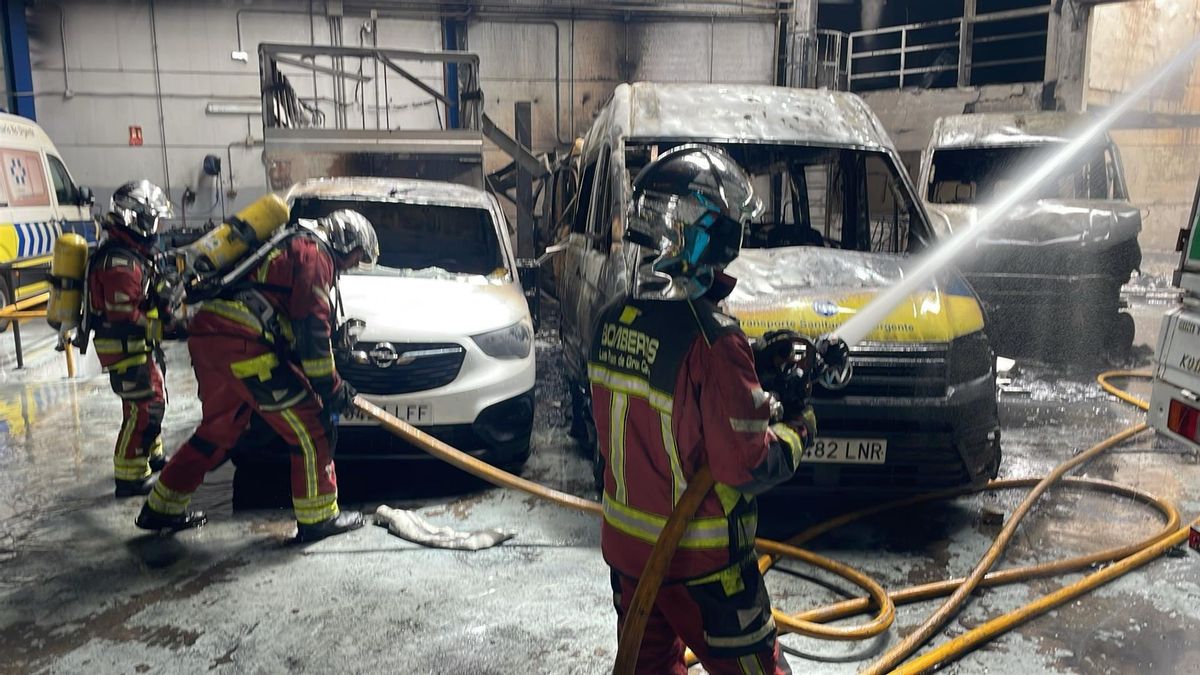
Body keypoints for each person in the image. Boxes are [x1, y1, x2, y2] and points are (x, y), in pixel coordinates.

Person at [587, 144, 848, 675]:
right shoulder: (714, 342)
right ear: (703, 233)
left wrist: (751, 364)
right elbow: (744, 464)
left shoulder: (614, 321)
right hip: (703, 568)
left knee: (650, 667)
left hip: (630, 558)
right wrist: (799, 424)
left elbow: (673, 404)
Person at [136, 209, 379, 543]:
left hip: (210, 339)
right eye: (356, 257)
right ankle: (319, 517)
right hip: (244, 346)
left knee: (217, 431)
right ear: (346, 241)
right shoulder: (314, 256)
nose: (351, 265)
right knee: (312, 425)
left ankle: (161, 507)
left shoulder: (288, 245)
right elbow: (312, 329)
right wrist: (331, 388)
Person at [88, 180, 175, 498]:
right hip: (126, 347)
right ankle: (130, 475)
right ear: (134, 218)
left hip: (137, 346)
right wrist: (164, 330)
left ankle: (151, 455)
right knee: (147, 406)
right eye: (153, 219)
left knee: (143, 404)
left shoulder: (130, 254)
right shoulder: (120, 263)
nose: (157, 227)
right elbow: (125, 315)